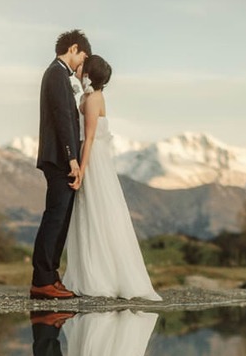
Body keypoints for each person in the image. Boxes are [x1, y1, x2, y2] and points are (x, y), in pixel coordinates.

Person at [63, 55, 161, 301]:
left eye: (83, 66)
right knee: (87, 214)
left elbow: (91, 137)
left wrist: (82, 169)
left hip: (94, 160)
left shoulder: (94, 98)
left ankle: (105, 277)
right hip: (88, 155)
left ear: (89, 73)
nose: (79, 67)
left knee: (99, 212)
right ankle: (88, 273)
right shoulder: (86, 97)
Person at [31, 30, 90, 300]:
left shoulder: (59, 74)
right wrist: (71, 157)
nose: (82, 64)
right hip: (58, 158)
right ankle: (42, 280)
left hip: (59, 157)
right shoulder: (56, 73)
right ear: (74, 48)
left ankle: (50, 277)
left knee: (61, 218)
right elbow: (62, 118)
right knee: (55, 219)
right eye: (82, 58)